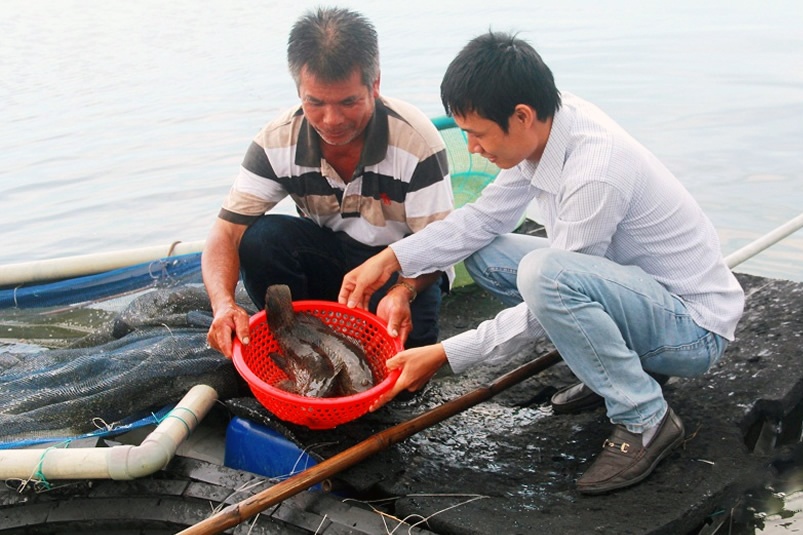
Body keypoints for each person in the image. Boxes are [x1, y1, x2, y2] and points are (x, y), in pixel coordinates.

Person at [339, 31, 745, 495]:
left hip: (691, 330)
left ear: (522, 116)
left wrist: (447, 354)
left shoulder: (595, 173)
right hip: (639, 293)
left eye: (477, 133)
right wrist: (391, 258)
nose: (471, 147)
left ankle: (645, 417)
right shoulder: (551, 124)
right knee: (486, 250)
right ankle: (616, 367)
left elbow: (549, 295)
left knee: (545, 274)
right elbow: (481, 220)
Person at [202, 7, 453, 358]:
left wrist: (404, 291)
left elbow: (440, 245)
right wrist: (224, 305)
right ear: (299, 89)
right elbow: (224, 234)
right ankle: (300, 340)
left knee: (406, 366)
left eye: (348, 102)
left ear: (375, 83)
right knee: (259, 240)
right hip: (328, 255)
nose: (332, 120)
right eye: (315, 102)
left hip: (398, 269)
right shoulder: (276, 142)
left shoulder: (416, 142)